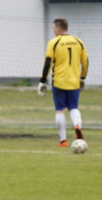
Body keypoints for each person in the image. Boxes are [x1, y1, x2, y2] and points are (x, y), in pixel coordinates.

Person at [37, 17, 88, 147]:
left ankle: (63, 140)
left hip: (59, 81)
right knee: (73, 107)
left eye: (54, 29)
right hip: (74, 81)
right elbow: (85, 61)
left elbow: (48, 62)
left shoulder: (54, 42)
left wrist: (43, 81)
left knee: (59, 110)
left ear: (58, 28)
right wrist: (82, 78)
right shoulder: (78, 41)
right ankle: (77, 126)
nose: (54, 31)